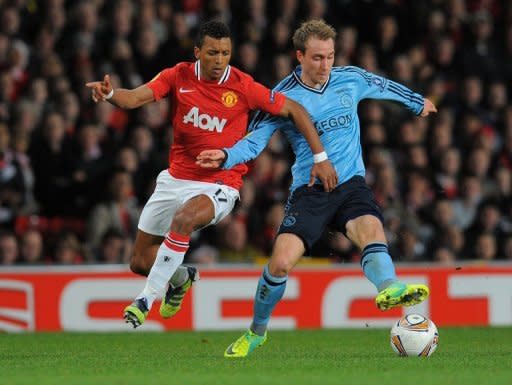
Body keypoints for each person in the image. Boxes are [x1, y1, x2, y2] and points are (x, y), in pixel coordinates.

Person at [196, 19, 437, 357]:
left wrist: (416, 102)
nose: (325, 66)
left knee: (371, 229)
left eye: (330, 57)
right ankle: (256, 332)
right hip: (310, 192)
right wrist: (226, 155)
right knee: (279, 264)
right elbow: (253, 141)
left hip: (351, 182)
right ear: (299, 56)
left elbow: (384, 87)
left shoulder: (349, 79)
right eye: (317, 58)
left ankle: (390, 287)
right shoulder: (280, 97)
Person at [85, 20, 338, 328]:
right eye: (213, 53)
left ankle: (145, 300)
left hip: (221, 183)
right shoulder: (177, 75)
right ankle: (180, 278)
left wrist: (320, 157)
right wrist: (111, 93)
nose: (219, 61)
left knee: (184, 219)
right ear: (197, 52)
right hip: (176, 178)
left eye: (225, 53)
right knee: (139, 261)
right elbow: (135, 98)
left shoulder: (243, 86)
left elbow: (296, 110)